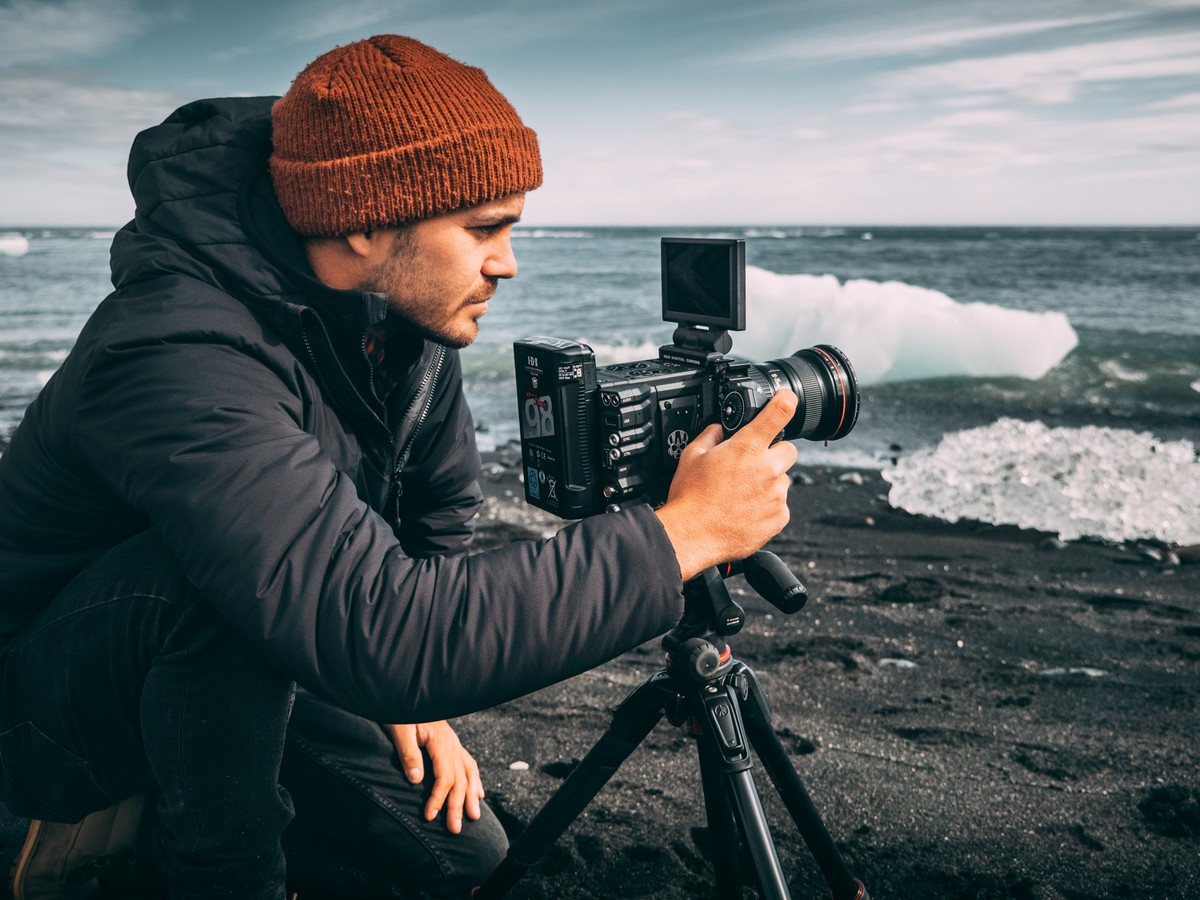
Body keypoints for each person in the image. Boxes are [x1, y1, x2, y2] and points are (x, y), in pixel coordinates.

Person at [0, 34, 799, 900]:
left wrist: (417, 699)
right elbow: (385, 629)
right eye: (483, 228)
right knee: (217, 585)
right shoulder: (178, 350)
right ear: (361, 221)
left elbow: (438, 516)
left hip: (258, 674)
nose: (508, 263)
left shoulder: (395, 323)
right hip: (46, 718)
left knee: (465, 866)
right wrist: (681, 536)